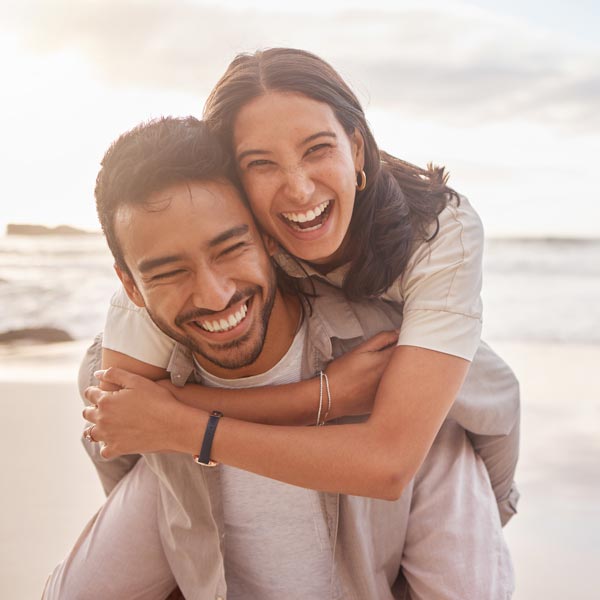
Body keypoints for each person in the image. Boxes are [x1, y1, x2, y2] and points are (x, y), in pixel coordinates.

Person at [45, 116, 513, 599]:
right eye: (168, 273)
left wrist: (320, 398)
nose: (212, 294)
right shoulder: (147, 403)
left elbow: (496, 410)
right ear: (130, 286)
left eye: (230, 248)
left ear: (270, 237)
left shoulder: (396, 370)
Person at [92, 48, 519, 522]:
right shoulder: (207, 248)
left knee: (478, 396)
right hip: (328, 376)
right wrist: (317, 397)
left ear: (356, 149)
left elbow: (388, 463)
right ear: (232, 179)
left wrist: (188, 427)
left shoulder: (441, 229)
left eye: (317, 149)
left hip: (453, 397)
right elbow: (121, 406)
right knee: (96, 363)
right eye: (261, 164)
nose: (298, 189)